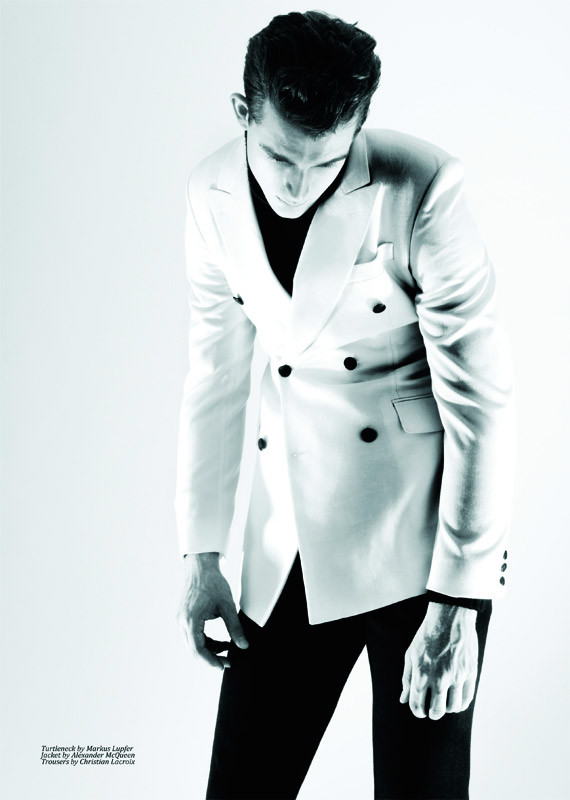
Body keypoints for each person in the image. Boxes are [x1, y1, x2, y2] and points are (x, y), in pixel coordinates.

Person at [174, 10, 516, 799]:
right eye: (278, 157)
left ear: (358, 129)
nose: (297, 187)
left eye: (325, 163)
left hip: (421, 543)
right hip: (291, 538)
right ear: (243, 113)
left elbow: (483, 405)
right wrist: (201, 554)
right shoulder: (210, 193)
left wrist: (460, 601)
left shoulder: (421, 186)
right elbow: (215, 376)